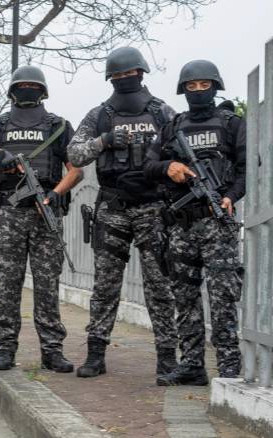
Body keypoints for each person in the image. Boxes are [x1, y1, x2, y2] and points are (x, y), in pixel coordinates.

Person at [67, 47, 179, 380]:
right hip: (112, 207)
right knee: (105, 286)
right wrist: (104, 140)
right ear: (110, 79)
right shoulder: (99, 115)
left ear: (141, 74)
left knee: (159, 285)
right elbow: (75, 153)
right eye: (117, 76)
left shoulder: (162, 112)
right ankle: (96, 354)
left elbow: (181, 149)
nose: (123, 80)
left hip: (153, 207)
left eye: (128, 75)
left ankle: (167, 358)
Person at [0, 65, 83, 372]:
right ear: (13, 90)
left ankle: (52, 350)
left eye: (33, 85)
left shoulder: (58, 125)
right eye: (22, 85)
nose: (27, 90)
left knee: (47, 284)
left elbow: (76, 169)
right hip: (10, 214)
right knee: (8, 282)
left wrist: (56, 193)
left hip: (45, 211)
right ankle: (5, 348)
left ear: (42, 91)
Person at [143, 60, 246, 385]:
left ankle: (229, 365)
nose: (199, 91)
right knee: (184, 296)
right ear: (183, 90)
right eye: (192, 86)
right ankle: (191, 365)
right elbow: (149, 165)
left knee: (222, 296)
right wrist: (169, 167)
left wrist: (232, 196)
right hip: (181, 225)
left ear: (215, 87)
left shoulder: (231, 124)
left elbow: (247, 169)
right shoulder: (173, 127)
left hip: (218, 223)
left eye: (205, 86)